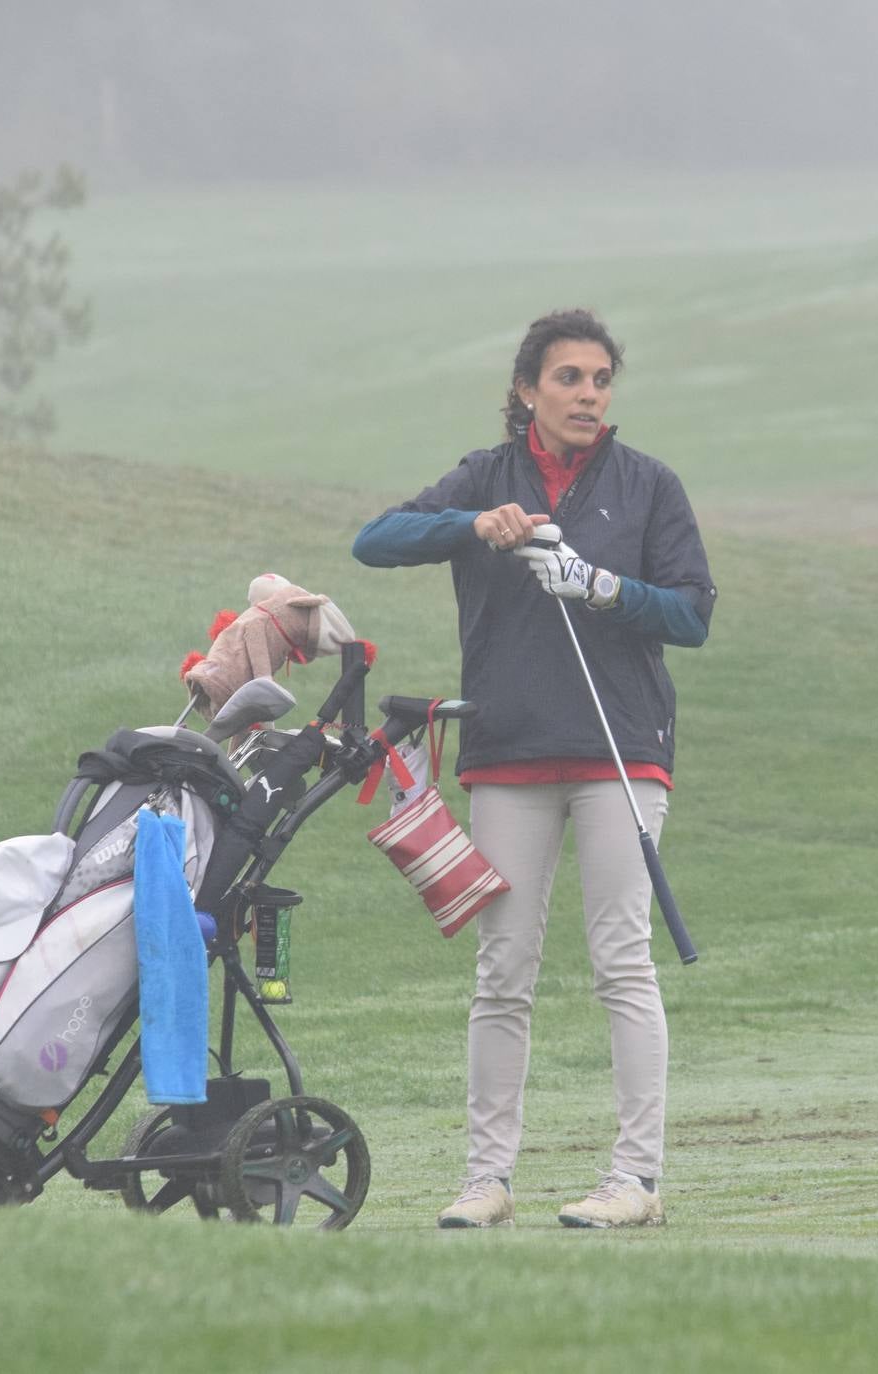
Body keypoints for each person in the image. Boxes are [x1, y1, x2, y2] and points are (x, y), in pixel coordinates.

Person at [352, 308, 716, 1229]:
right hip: (509, 753)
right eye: (569, 378)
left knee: (620, 960)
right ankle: (487, 1179)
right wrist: (477, 525)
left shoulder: (646, 487)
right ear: (527, 391)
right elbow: (377, 539)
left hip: (620, 752)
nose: (588, 394)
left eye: (600, 379)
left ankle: (634, 1181)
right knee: (502, 968)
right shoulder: (489, 476)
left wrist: (602, 588)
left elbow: (689, 614)